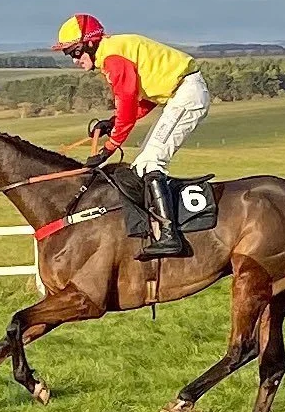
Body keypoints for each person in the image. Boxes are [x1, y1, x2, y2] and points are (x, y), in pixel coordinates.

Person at [51, 13, 211, 259]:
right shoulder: (112, 52)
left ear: (90, 43)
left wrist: (110, 146)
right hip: (180, 93)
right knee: (140, 166)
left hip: (187, 94)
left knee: (150, 162)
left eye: (74, 52)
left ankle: (170, 236)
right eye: (68, 54)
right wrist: (113, 123)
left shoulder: (113, 58)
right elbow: (141, 101)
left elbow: (127, 102)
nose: (73, 59)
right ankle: (156, 228)